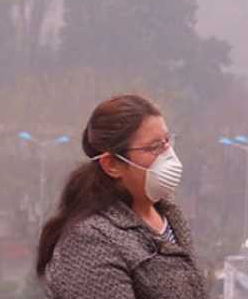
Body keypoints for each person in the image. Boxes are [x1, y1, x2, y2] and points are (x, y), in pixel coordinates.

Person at [36, 94, 207, 299]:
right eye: (153, 147)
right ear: (112, 165)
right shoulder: (90, 241)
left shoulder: (170, 216)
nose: (167, 154)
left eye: (167, 141)